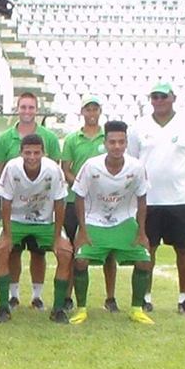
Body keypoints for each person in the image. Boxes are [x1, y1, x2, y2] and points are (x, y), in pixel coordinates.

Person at [128, 82, 185, 315]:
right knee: (147, 248)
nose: (159, 100)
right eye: (155, 96)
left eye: (163, 96)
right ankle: (145, 296)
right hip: (148, 200)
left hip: (180, 200)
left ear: (173, 98)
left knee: (184, 248)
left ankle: (184, 297)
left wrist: (181, 176)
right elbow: (132, 161)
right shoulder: (138, 126)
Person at [71, 120, 154, 325]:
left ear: (126, 143)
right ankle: (81, 308)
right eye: (112, 142)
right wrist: (82, 230)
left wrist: (141, 231)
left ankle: (136, 309)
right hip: (94, 221)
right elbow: (79, 197)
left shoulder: (136, 167)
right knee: (80, 260)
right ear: (105, 143)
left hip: (124, 220)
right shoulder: (92, 166)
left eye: (121, 142)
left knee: (145, 259)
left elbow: (143, 200)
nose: (117, 146)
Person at [0, 134, 72, 324]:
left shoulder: (53, 170)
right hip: (16, 219)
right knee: (2, 250)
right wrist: (7, 235)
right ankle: (5, 306)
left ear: (43, 153)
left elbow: (60, 203)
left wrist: (57, 238)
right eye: (27, 152)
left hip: (45, 221)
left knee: (65, 253)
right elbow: (5, 202)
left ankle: (58, 308)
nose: (32, 157)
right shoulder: (12, 168)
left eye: (36, 152)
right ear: (21, 152)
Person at [0, 92, 62, 311]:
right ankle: (12, 297)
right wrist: (5, 231)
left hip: (42, 214)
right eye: (23, 107)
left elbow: (55, 187)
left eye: (31, 107)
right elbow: (1, 172)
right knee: (10, 250)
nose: (27, 111)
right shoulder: (5, 139)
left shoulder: (49, 139)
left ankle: (37, 296)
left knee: (39, 253)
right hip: (16, 212)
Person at [61, 94, 118, 312]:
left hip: (105, 203)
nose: (91, 113)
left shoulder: (109, 137)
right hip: (76, 201)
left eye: (95, 109)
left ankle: (110, 297)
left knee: (109, 250)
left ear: (100, 111)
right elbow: (66, 169)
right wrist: (82, 184)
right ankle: (68, 296)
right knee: (74, 251)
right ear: (82, 112)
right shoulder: (73, 139)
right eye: (88, 109)